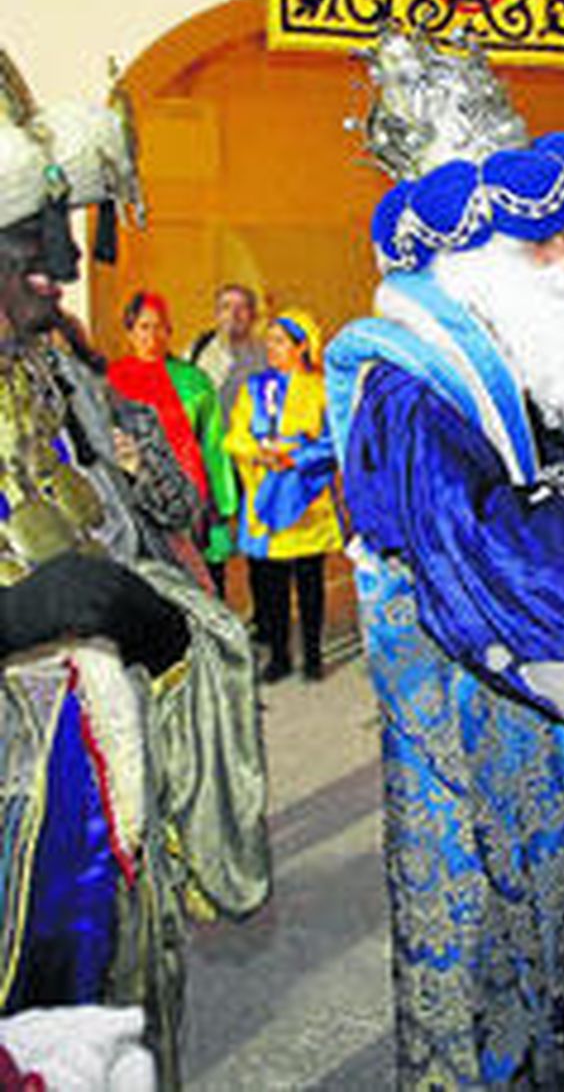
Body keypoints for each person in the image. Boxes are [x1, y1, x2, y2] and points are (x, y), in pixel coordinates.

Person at [324, 29, 564, 1089]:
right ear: (473, 257)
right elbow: (482, 564)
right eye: (543, 243)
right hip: (481, 747)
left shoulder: (540, 355)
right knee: (497, 982)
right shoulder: (406, 384)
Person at [0, 59, 269, 1082]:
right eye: (32, 240)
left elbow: (129, 515)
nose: (63, 265)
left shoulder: (42, 364)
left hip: (85, 794)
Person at [225, 307, 342, 682]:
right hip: (264, 497)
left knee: (309, 581)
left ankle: (312, 654)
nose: (270, 347)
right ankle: (278, 655)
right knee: (270, 584)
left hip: (305, 498)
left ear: (301, 346)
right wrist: (260, 453)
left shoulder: (322, 389)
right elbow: (235, 436)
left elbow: (334, 442)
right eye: (269, 340)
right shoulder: (254, 388)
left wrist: (294, 457)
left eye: (279, 341)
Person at [108, 290, 239, 593]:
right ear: (129, 332)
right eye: (143, 326)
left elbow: (213, 444)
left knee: (203, 585)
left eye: (159, 326)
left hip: (191, 497)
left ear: (169, 331)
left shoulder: (194, 380)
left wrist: (223, 503)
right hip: (139, 496)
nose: (152, 335)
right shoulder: (113, 380)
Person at [190, 281, 269, 425]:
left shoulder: (268, 355)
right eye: (226, 307)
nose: (233, 314)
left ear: (254, 316)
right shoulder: (197, 350)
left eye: (242, 308)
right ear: (217, 314)